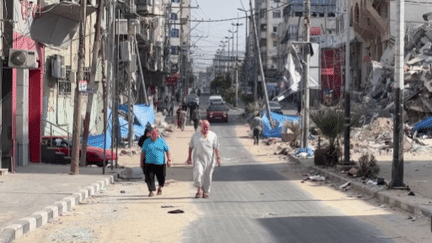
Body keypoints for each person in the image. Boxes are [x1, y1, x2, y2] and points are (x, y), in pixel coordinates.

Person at [187, 120, 221, 199]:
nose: (206, 129)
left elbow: (216, 147)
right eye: (204, 127)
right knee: (199, 173)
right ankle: (199, 190)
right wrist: (189, 157)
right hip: (198, 158)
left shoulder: (213, 135)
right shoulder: (196, 136)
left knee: (208, 176)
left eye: (207, 127)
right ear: (201, 127)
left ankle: (206, 192)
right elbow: (191, 146)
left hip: (209, 160)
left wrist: (218, 158)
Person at [142, 128, 172, 197]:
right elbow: (143, 152)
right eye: (152, 134)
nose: (153, 136)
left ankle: (160, 187)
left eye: (155, 134)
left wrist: (169, 160)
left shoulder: (161, 141)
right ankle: (151, 191)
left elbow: (167, 150)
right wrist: (142, 162)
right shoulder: (147, 142)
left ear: (158, 135)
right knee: (149, 178)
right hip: (149, 163)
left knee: (162, 177)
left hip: (160, 163)